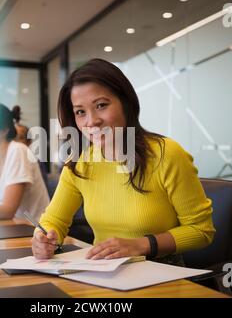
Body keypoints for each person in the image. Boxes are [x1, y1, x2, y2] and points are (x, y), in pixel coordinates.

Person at [31, 59, 215, 263]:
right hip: (101, 275)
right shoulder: (81, 163)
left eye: (101, 105)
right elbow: (54, 220)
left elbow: (201, 231)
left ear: (125, 103)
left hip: (160, 275)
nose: (91, 121)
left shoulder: (167, 154)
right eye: (80, 112)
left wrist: (141, 245)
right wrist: (44, 239)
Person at [12, 105, 48, 187]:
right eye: (13, 138)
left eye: (20, 138)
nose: (16, 141)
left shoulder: (36, 162)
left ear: (29, 142)